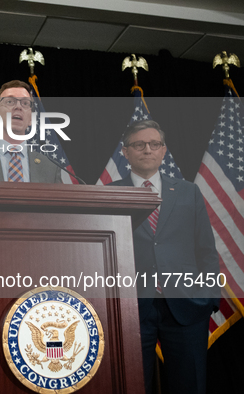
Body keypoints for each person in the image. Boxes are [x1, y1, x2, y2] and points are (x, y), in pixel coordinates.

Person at [109, 120, 219, 394]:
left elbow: (205, 249)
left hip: (186, 306)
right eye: (139, 144)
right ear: (125, 152)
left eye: (154, 144)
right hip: (131, 309)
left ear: (163, 150)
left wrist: (209, 298)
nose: (147, 149)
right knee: (131, 385)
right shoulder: (111, 194)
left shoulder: (188, 192)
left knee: (190, 385)